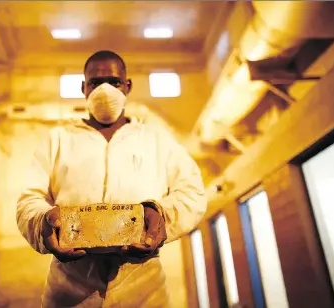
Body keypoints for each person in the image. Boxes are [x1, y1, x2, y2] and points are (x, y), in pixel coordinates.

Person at [16, 50, 207, 308]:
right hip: (69, 290)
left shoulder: (155, 140)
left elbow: (192, 193)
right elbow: (30, 199)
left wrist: (161, 215)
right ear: (83, 88)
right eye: (95, 82)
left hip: (145, 289)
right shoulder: (58, 140)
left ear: (127, 86)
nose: (105, 89)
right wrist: (43, 222)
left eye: (114, 81)